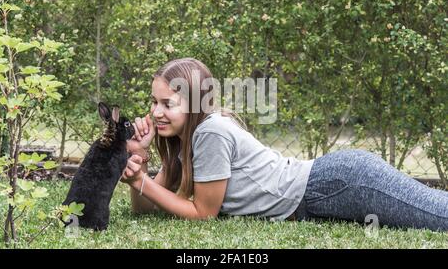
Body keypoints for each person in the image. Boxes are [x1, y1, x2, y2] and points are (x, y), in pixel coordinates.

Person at [121, 57, 448, 231]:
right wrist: (142, 161)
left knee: (438, 216)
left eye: (168, 103)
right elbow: (146, 210)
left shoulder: (210, 132)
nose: (155, 112)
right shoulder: (184, 139)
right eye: (154, 101)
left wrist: (140, 182)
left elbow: (203, 213)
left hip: (342, 182)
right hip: (324, 194)